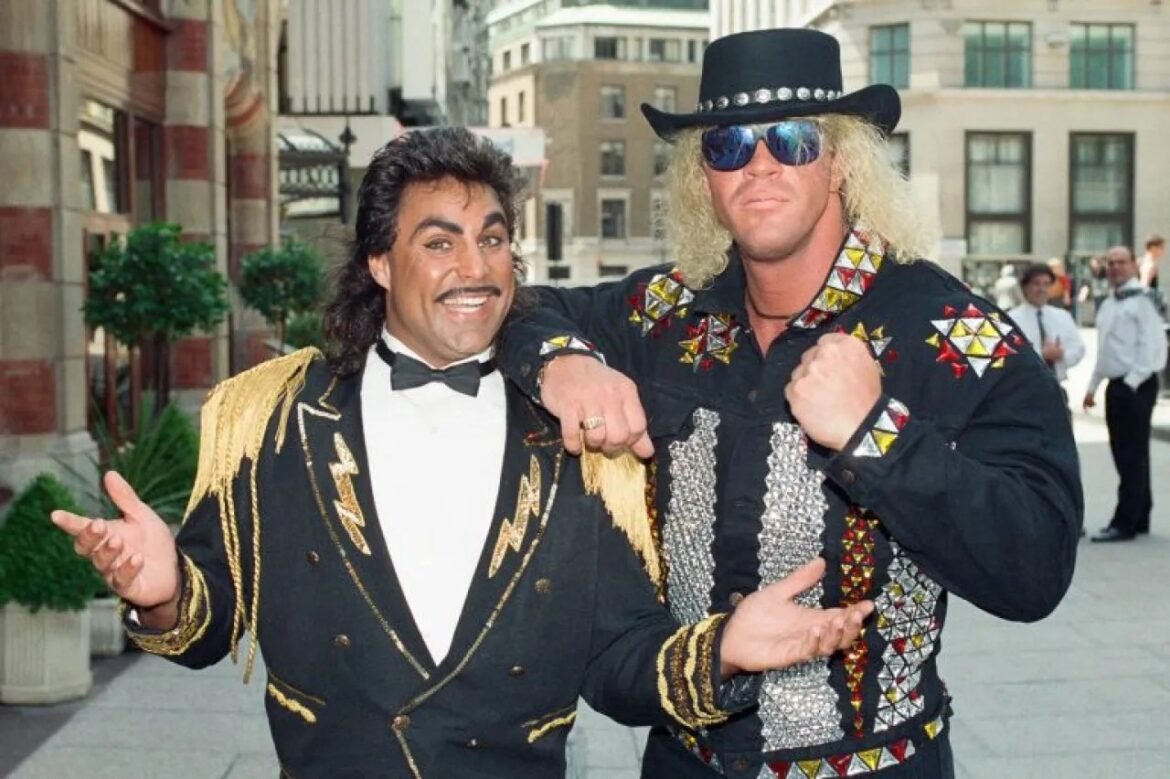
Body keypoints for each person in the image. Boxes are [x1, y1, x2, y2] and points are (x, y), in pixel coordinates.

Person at [50, 127, 871, 778]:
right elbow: (206, 619)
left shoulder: (582, 437)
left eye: (492, 238)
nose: (474, 269)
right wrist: (160, 591)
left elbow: (619, 655)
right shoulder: (268, 414)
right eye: (438, 243)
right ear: (379, 260)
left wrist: (720, 645)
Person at [497, 28, 1082, 778]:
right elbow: (513, 307)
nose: (760, 166)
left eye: (793, 140)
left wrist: (877, 437)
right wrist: (565, 361)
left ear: (840, 159)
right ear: (702, 177)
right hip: (684, 761)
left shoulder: (949, 333)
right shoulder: (664, 313)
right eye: (730, 145)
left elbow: (1036, 567)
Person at [1083, 244, 1168, 543]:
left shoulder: (1141, 301)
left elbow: (1153, 346)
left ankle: (1124, 522)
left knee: (1129, 456)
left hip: (1135, 385)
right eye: (1111, 263)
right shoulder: (1109, 303)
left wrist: (1131, 384)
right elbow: (1105, 352)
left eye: (1122, 262)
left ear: (1134, 265)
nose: (1116, 267)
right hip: (1116, 384)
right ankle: (1141, 514)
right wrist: (1093, 386)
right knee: (1130, 454)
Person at [1009, 262, 1086, 394]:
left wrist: (1061, 355)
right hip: (1023, 391)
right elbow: (1009, 357)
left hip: (1056, 388)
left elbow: (1079, 349)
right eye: (1036, 284)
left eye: (1046, 284)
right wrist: (1041, 355)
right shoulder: (1012, 319)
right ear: (1025, 287)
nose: (1042, 289)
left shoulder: (1062, 316)